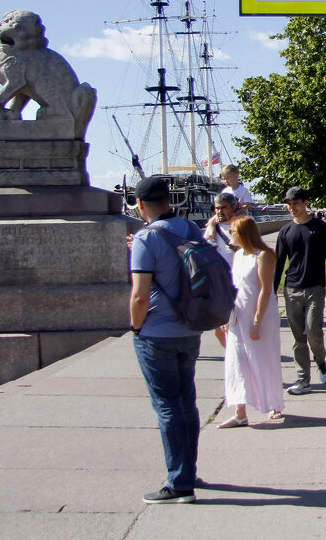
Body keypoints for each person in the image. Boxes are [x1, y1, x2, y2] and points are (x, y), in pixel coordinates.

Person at [128, 176, 204, 505]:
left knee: (167, 406)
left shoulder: (146, 238)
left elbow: (140, 296)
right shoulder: (190, 229)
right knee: (186, 401)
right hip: (190, 329)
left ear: (141, 205)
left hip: (156, 333)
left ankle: (179, 483)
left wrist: (135, 328)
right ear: (168, 200)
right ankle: (189, 470)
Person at [218, 216, 284, 428]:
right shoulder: (238, 255)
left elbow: (265, 290)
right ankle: (240, 412)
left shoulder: (263, 255)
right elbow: (234, 287)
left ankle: (274, 402)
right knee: (237, 360)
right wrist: (227, 316)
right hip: (238, 314)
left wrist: (257, 321)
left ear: (244, 234)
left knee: (264, 358)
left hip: (260, 315)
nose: (230, 235)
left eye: (233, 232)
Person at [274, 186, 326, 396]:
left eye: (296, 203)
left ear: (305, 203)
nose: (292, 208)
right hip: (291, 289)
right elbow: (279, 263)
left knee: (313, 332)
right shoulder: (285, 231)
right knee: (298, 339)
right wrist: (272, 291)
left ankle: (320, 361)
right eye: (289, 204)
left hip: (315, 289)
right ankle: (303, 380)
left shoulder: (320, 227)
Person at [203, 192, 239, 347]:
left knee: (237, 325)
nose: (219, 212)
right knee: (219, 329)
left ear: (233, 207)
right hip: (218, 285)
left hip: (238, 284)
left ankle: (239, 355)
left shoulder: (242, 225)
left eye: (223, 208)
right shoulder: (212, 228)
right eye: (217, 208)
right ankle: (231, 352)